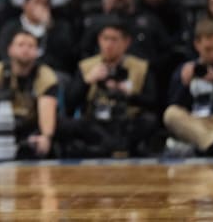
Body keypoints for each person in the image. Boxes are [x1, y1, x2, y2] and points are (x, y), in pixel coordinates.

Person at [66, 21, 158, 157]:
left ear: (126, 42)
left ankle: (110, 148)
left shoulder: (141, 67)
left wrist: (127, 95)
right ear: (99, 40)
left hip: (127, 122)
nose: (109, 44)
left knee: (149, 120)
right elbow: (70, 104)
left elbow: (153, 102)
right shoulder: (86, 66)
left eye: (114, 39)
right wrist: (88, 81)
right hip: (95, 123)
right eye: (105, 39)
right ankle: (113, 147)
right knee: (71, 124)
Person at [0, 30, 59, 160]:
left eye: (31, 46)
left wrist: (46, 137)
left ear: (37, 52)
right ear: (10, 49)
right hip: (3, 123)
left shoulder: (45, 75)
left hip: (31, 124)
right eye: (21, 45)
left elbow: (47, 111)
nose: (26, 49)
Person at [164, 19, 213, 158]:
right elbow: (174, 103)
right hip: (196, 123)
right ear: (197, 45)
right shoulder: (185, 69)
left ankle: (203, 145)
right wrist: (184, 84)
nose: (212, 54)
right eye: (208, 49)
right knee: (170, 114)